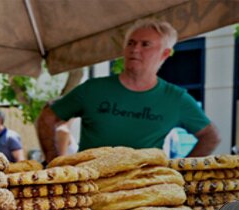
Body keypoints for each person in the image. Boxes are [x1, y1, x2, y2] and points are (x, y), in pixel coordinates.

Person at [36, 19, 220, 163]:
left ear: (165, 53)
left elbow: (210, 137)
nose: (135, 49)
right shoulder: (93, 89)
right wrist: (54, 160)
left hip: (144, 195)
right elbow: (47, 117)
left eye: (145, 44)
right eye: (131, 43)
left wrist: (180, 172)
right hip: (91, 192)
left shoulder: (176, 99)